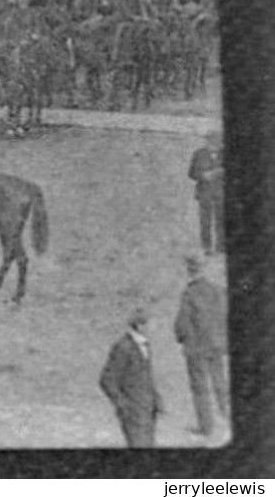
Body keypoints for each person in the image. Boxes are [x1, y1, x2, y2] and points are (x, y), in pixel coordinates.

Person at [174, 256, 230, 438]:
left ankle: (206, 427)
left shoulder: (189, 294)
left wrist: (181, 338)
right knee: (220, 381)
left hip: (197, 348)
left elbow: (182, 323)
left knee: (200, 387)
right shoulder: (217, 290)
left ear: (190, 270)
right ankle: (227, 416)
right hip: (216, 345)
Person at [99, 307, 163, 448]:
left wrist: (156, 399)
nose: (155, 327)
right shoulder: (123, 347)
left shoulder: (145, 345)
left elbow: (146, 376)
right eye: (151, 323)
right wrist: (122, 404)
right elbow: (107, 379)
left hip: (148, 412)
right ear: (140, 326)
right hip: (133, 414)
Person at [187, 137, 224, 256]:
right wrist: (203, 175)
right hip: (204, 193)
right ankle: (206, 246)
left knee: (221, 220)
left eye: (216, 143)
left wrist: (218, 172)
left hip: (221, 193)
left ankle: (221, 247)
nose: (213, 145)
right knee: (205, 221)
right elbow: (191, 173)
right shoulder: (198, 154)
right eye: (210, 142)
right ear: (206, 142)